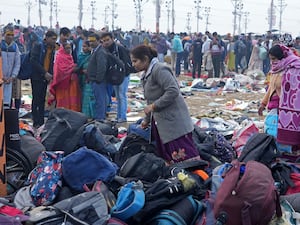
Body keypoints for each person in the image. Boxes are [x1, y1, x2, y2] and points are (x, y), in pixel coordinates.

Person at [130, 45, 200, 164]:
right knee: (170, 156)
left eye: (135, 61)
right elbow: (150, 101)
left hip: (174, 121)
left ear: (145, 59)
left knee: (185, 157)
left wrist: (154, 106)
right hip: (162, 123)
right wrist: (147, 120)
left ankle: (197, 178)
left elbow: (173, 91)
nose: (133, 64)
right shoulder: (146, 75)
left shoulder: (159, 69)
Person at [258, 44, 300, 154]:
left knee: (280, 137)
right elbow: (271, 88)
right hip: (273, 108)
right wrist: (263, 104)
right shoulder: (275, 71)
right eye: (270, 59)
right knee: (271, 132)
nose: (272, 62)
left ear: (282, 57)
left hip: (284, 108)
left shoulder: (293, 69)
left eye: (274, 59)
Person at [101, 32, 135, 123]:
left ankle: (122, 117)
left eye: (107, 40)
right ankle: (119, 116)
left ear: (112, 39)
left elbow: (127, 62)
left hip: (123, 75)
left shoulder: (120, 48)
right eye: (104, 41)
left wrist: (125, 73)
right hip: (114, 76)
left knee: (121, 95)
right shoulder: (106, 50)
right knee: (118, 96)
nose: (106, 42)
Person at [30, 30, 57, 128]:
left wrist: (50, 74)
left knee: (42, 100)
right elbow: (33, 60)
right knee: (36, 99)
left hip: (46, 77)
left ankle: (41, 121)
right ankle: (35, 121)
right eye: (53, 39)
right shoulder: (38, 46)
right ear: (47, 38)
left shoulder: (53, 48)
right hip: (37, 76)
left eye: (55, 39)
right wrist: (44, 72)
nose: (54, 41)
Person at [49, 41, 81, 111]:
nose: (69, 50)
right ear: (63, 49)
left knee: (70, 100)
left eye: (70, 48)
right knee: (63, 100)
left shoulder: (70, 57)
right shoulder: (59, 57)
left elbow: (70, 67)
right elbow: (59, 70)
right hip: (61, 83)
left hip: (70, 82)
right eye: (67, 48)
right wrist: (72, 69)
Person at [87, 33, 108, 122]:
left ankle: (100, 119)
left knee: (100, 101)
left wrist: (98, 79)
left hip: (99, 81)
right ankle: (99, 118)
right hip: (95, 80)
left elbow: (102, 67)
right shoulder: (95, 50)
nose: (91, 43)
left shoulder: (100, 51)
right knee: (98, 100)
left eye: (93, 41)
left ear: (98, 41)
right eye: (90, 41)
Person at [1, 25, 21, 109]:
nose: (10, 37)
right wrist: (1, 77)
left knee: (7, 102)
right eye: (8, 34)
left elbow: (17, 63)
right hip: (1, 79)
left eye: (12, 35)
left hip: (9, 79)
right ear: (3, 34)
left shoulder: (15, 47)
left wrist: (12, 76)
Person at [77, 40, 94, 118]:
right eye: (83, 46)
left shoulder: (92, 56)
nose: (84, 48)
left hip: (89, 80)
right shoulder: (80, 56)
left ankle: (88, 115)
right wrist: (81, 71)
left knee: (88, 98)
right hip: (81, 78)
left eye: (86, 46)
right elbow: (78, 68)